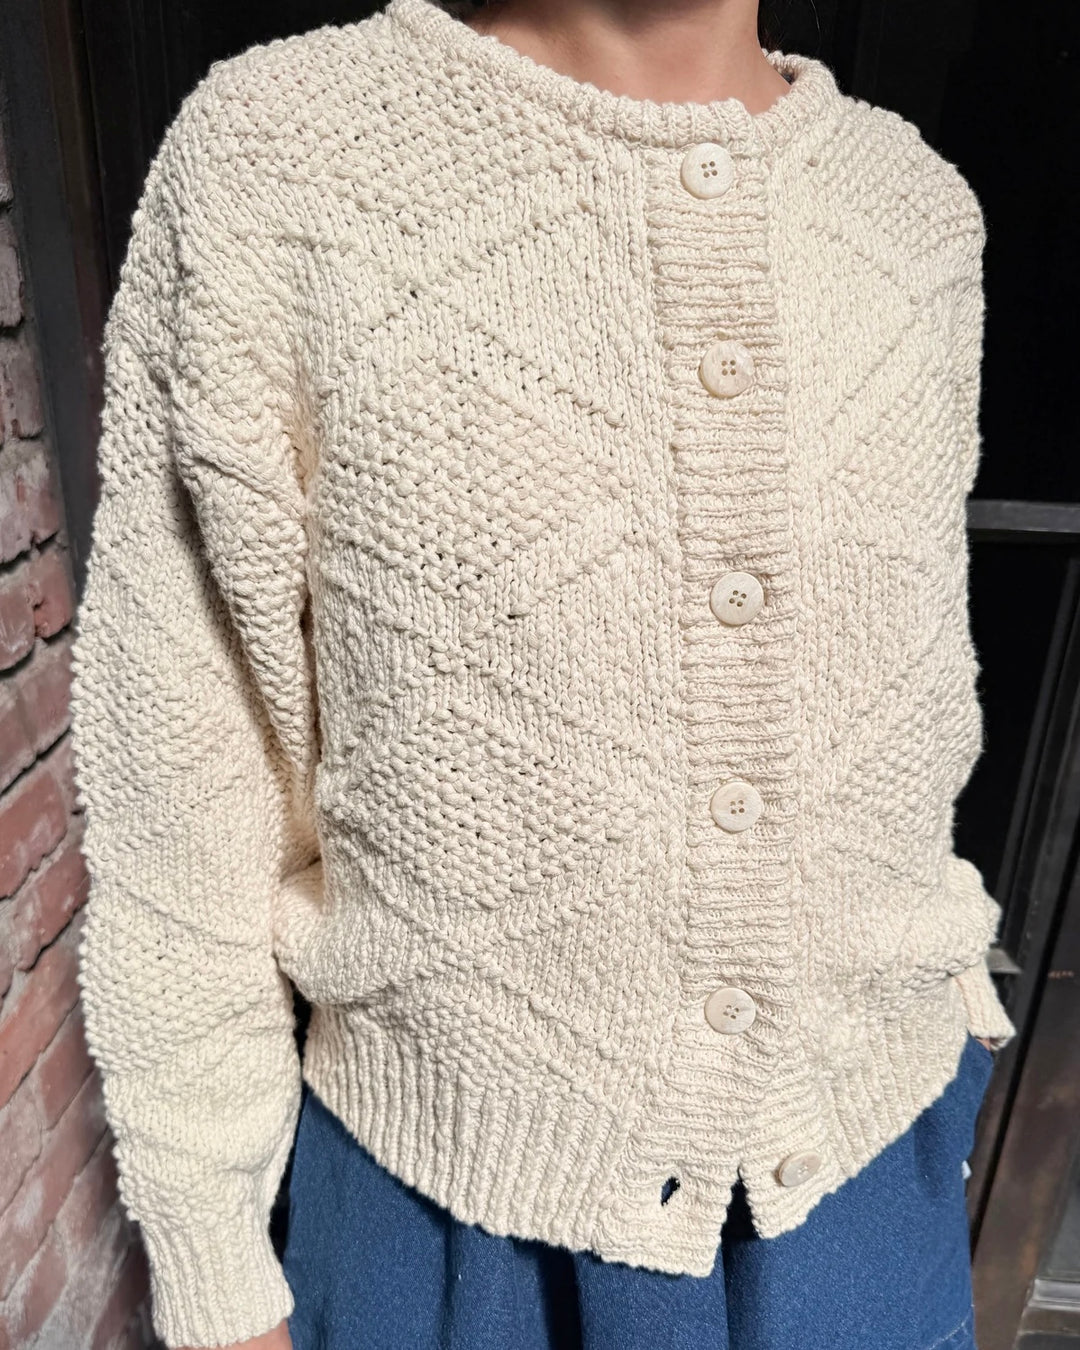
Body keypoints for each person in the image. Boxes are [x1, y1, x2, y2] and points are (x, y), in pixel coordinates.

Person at [68, 0, 1017, 1347]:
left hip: (867, 1184)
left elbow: (905, 694)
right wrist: (213, 1263)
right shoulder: (276, 164)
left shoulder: (916, 212)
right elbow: (185, 767)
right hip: (457, 1214)